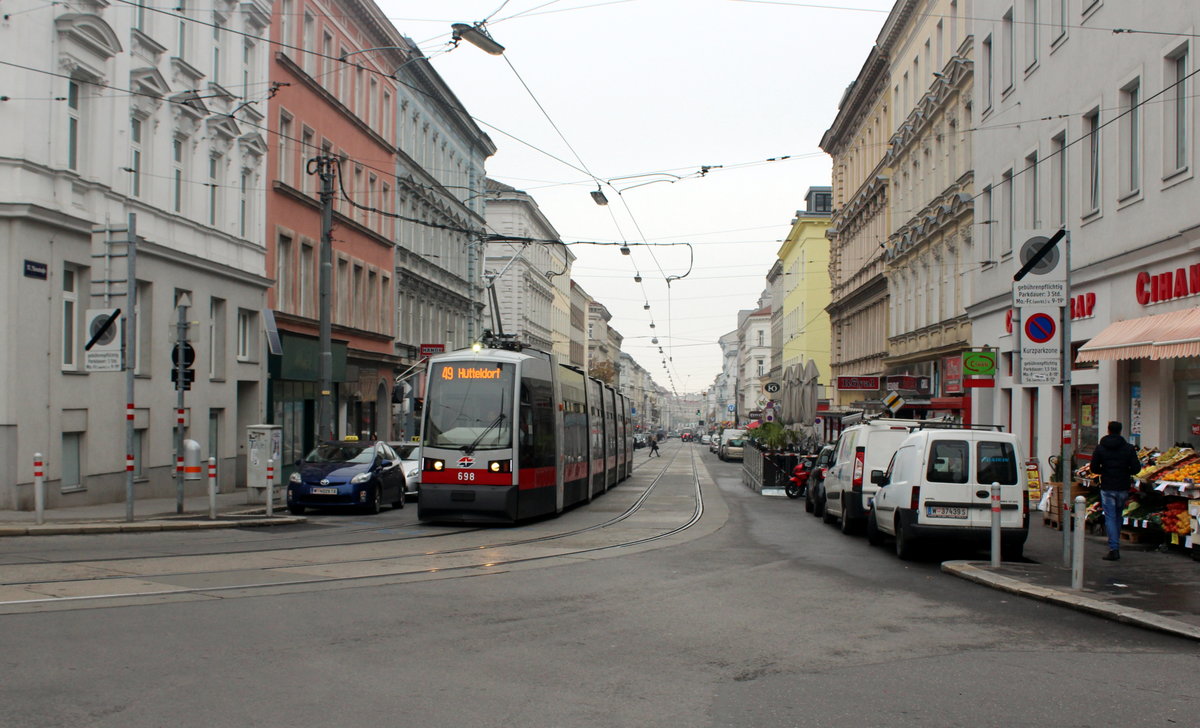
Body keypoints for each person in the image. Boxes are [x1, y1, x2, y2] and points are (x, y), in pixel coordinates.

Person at [1090, 420, 1141, 561]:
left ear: (1108, 430)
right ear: (1120, 431)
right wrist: (1126, 471)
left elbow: (1093, 468)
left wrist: (1104, 471)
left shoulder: (1101, 448)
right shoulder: (1128, 448)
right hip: (1123, 486)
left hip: (1107, 486)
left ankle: (1114, 548)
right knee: (1118, 516)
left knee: (1110, 517)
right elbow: (1136, 468)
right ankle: (1115, 544)